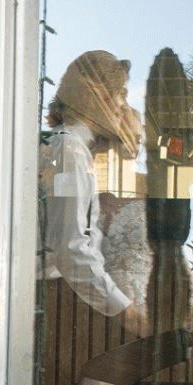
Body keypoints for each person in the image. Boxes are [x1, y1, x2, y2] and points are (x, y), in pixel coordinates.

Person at [40, 50, 147, 336]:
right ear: (100, 96)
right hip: (54, 301)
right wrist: (127, 312)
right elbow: (70, 248)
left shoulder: (64, 149)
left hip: (65, 297)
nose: (123, 105)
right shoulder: (69, 154)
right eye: (121, 94)